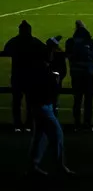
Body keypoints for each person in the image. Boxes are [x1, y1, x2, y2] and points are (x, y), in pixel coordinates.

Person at [27, 47, 74, 177]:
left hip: (39, 106)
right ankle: (59, 166)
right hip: (43, 107)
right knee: (57, 135)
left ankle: (34, 166)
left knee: (40, 137)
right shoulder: (45, 72)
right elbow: (50, 90)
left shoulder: (39, 70)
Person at [4, 20, 46, 132]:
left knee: (17, 101)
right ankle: (29, 124)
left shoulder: (15, 41)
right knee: (30, 102)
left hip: (18, 75)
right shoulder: (34, 41)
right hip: (31, 76)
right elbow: (45, 50)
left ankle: (17, 124)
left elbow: (6, 49)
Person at [64, 20, 93, 132]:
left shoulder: (70, 42)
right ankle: (87, 124)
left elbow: (67, 55)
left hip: (76, 74)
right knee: (88, 100)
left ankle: (77, 124)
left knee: (77, 99)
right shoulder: (91, 42)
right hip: (88, 75)